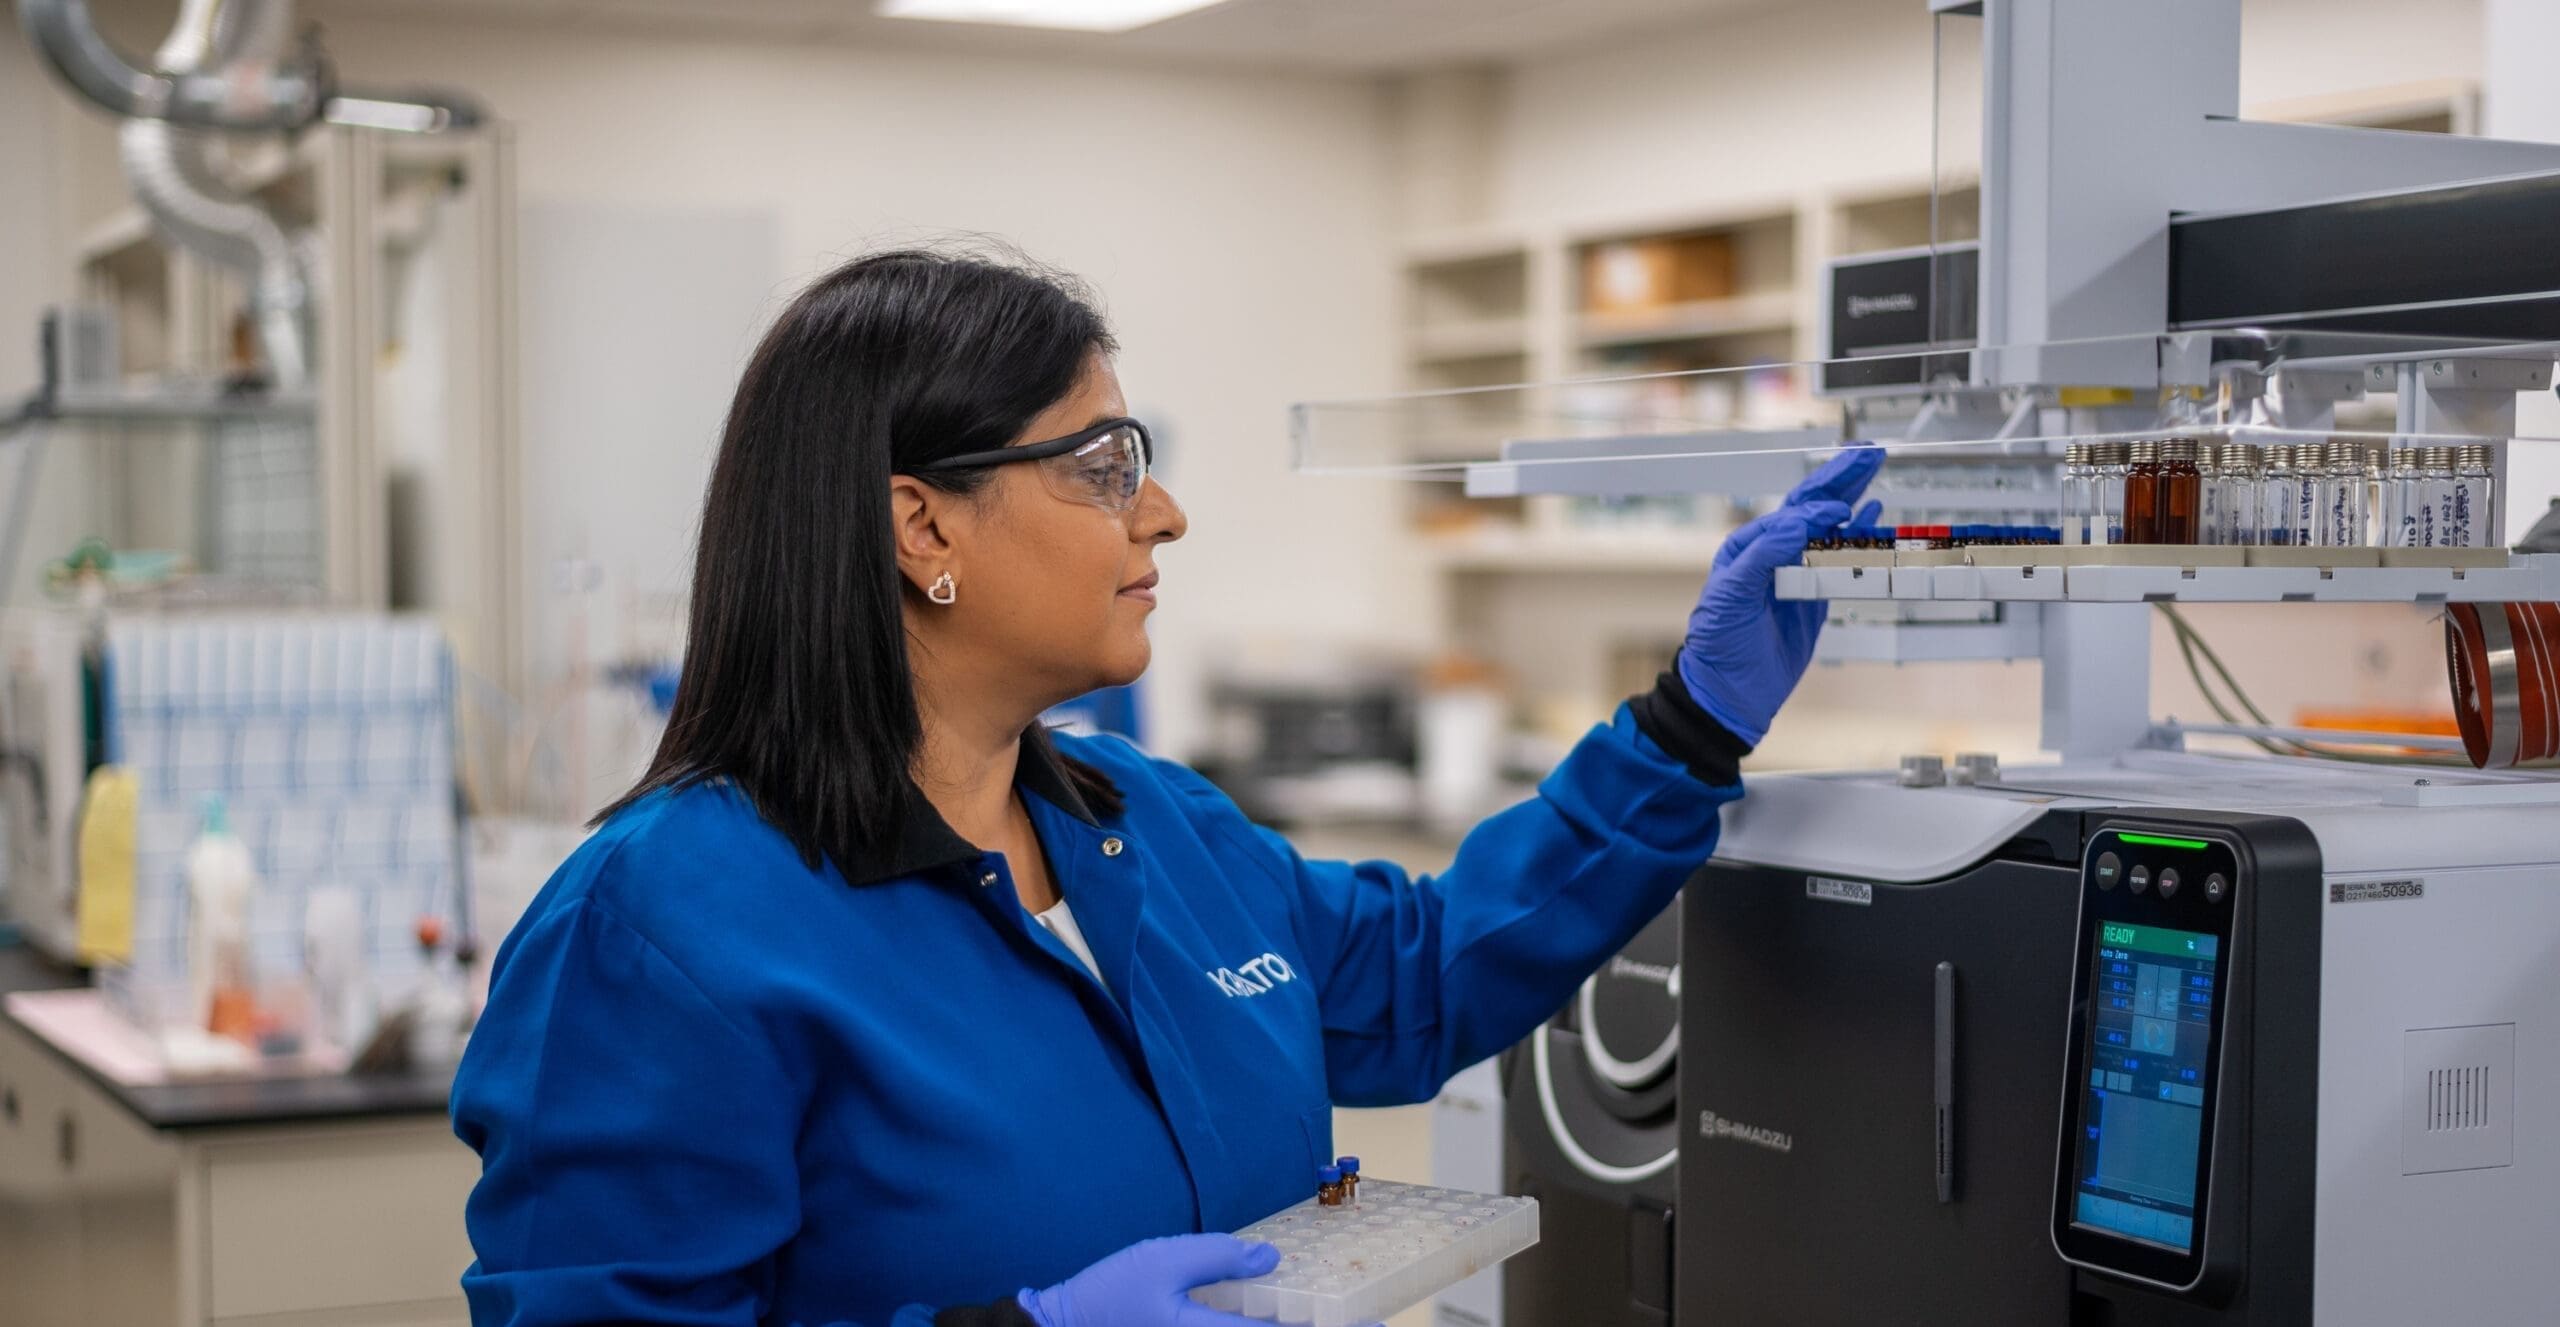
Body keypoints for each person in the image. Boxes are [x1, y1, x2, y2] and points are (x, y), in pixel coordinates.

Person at [450, 248, 1881, 1327]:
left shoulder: (1150, 826)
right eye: (1102, 464)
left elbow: (1429, 973)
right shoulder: (657, 931)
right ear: (920, 523)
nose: (1164, 510)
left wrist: (1689, 724)